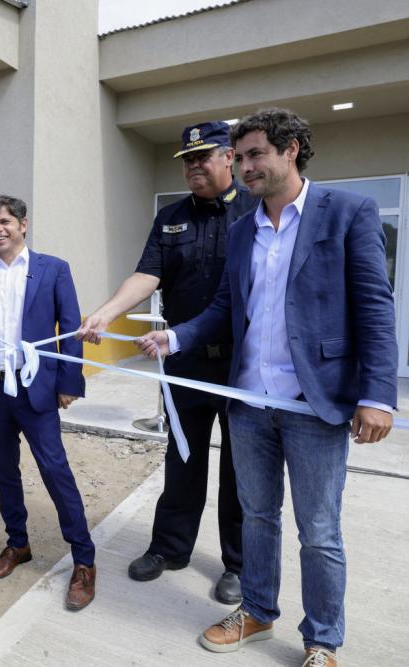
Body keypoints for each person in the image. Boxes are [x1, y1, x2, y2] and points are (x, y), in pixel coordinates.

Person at [137, 108, 397, 666]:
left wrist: (377, 396)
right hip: (250, 402)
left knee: (319, 530)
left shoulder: (347, 212)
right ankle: (256, 611)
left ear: (291, 150)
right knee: (257, 517)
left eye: (256, 154)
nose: (245, 166)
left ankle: (322, 641)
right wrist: (175, 337)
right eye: (241, 157)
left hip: (314, 404)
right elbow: (226, 307)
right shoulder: (243, 230)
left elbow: (375, 308)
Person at [80, 120, 257, 605]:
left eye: (203, 157)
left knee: (241, 469)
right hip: (184, 362)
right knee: (182, 459)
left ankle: (239, 564)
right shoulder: (171, 218)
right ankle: (170, 548)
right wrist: (105, 313)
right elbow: (147, 274)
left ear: (229, 158)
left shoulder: (256, 209)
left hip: (243, 367)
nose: (193, 166)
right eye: (187, 160)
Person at [0, 194, 95, 611]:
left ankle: (84, 559)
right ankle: (18, 544)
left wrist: (69, 381)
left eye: (5, 221)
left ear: (23, 225)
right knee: (4, 472)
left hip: (37, 389)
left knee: (55, 469)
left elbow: (71, 327)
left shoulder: (54, 269)